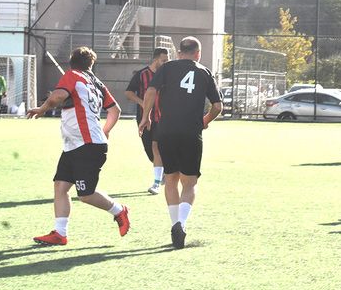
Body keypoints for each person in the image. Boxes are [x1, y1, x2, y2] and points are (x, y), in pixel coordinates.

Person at [27, 46, 129, 246]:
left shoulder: (72, 75)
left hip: (87, 145)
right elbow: (115, 110)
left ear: (71, 62)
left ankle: (119, 210)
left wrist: (42, 108)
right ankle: (60, 233)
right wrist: (106, 130)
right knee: (60, 186)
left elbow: (57, 97)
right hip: (77, 145)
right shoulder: (97, 84)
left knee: (86, 195)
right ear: (91, 65)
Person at [139, 37, 223, 249]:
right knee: (190, 182)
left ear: (179, 52)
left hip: (166, 130)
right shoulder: (204, 72)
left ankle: (174, 222)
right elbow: (217, 106)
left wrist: (145, 117)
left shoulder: (166, 68)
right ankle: (182, 224)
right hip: (190, 132)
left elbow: (151, 91)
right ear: (198, 53)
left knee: (170, 179)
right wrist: (205, 121)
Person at [124, 47, 170, 194]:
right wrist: (142, 102)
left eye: (167, 60)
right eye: (163, 60)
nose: (166, 63)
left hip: (162, 118)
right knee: (150, 150)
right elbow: (128, 92)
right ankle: (162, 172)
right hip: (144, 118)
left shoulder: (168, 75)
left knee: (156, 147)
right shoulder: (142, 74)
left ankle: (156, 183)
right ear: (156, 59)